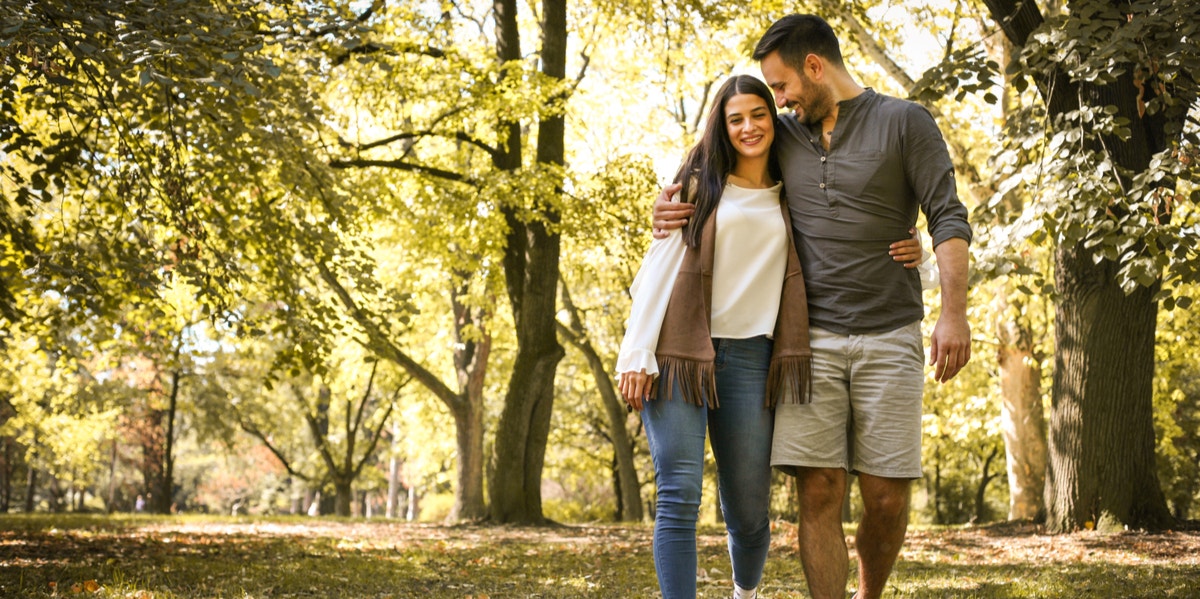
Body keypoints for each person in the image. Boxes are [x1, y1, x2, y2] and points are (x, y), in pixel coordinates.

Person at [652, 15, 972, 599]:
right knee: (819, 489)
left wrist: (954, 311)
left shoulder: (905, 122)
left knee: (885, 495)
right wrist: (669, 205)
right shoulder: (785, 135)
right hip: (806, 344)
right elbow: (723, 162)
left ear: (815, 67)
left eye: (781, 87)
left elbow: (948, 215)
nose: (776, 102)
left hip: (890, 333)